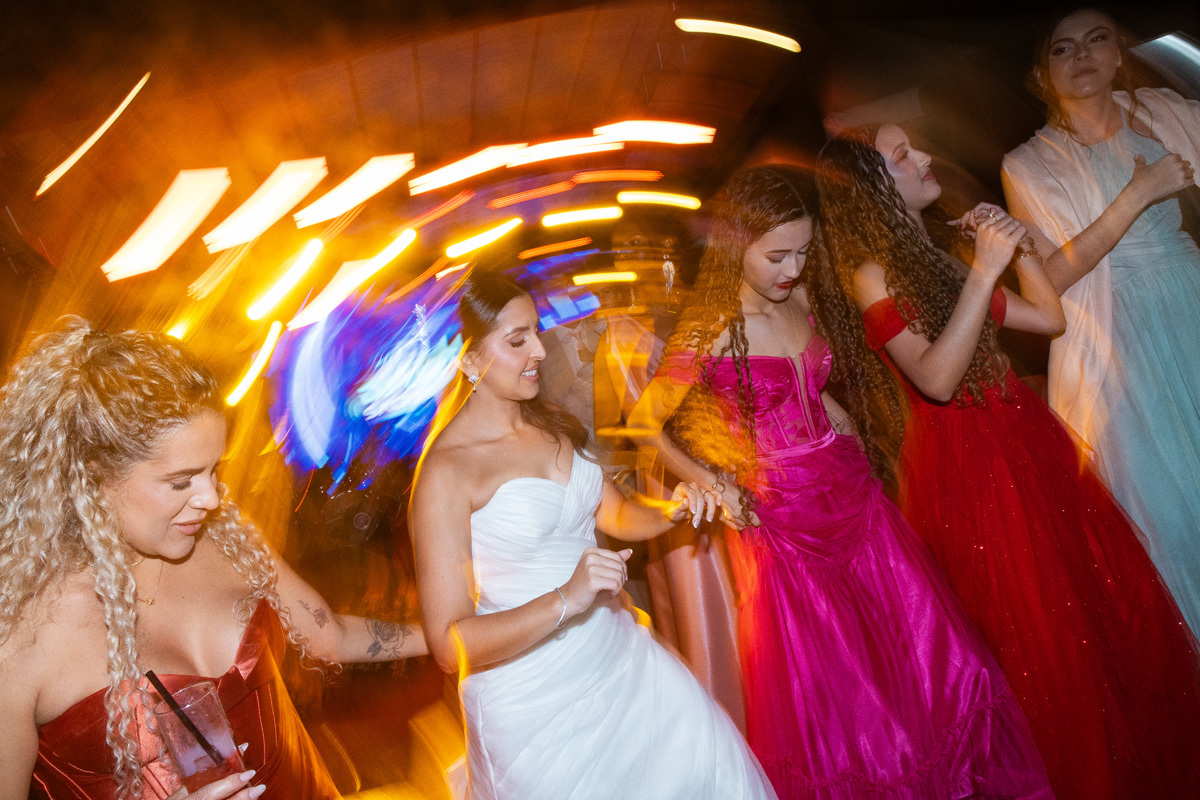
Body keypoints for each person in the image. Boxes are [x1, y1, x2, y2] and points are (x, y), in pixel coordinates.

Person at [627, 165, 1051, 799]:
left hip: (855, 497)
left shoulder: (799, 298)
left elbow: (809, 385)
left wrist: (845, 429)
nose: (793, 269)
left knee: (929, 660)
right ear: (735, 246)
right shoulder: (709, 328)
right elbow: (644, 425)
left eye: (803, 251)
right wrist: (712, 483)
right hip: (786, 523)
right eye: (776, 256)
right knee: (847, 695)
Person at [811, 123, 1200, 799]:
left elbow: (1050, 319)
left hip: (1024, 439)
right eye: (902, 155)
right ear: (869, 187)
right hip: (972, 469)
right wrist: (984, 269)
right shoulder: (871, 274)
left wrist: (1018, 248)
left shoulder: (934, 257)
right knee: (1042, 640)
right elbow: (936, 378)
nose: (924, 157)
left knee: (1091, 616)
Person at [0, 318, 427, 800]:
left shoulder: (224, 539)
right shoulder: (20, 637)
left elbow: (330, 634)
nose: (210, 497)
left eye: (212, 470)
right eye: (181, 481)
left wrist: (449, 634)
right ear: (93, 477)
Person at [410, 271, 775, 800]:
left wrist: (672, 510)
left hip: (620, 658)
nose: (540, 350)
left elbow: (617, 513)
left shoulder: (552, 426)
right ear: (468, 360)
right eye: (517, 341)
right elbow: (449, 643)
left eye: (536, 332)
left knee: (713, 767)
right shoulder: (447, 473)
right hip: (534, 711)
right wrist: (567, 597)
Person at [1002, 6, 1200, 635]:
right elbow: (1049, 280)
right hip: (1117, 344)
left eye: (1096, 40)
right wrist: (1137, 194)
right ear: (1043, 72)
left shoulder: (1165, 114)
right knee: (1168, 519)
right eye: (1063, 48)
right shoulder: (1027, 163)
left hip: (1190, 303)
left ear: (1118, 52)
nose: (1082, 55)